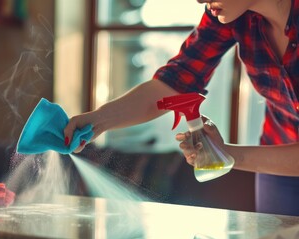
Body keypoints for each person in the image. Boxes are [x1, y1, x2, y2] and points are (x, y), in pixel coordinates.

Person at [64, 0, 299, 216]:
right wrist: (97, 121)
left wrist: (227, 155)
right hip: (275, 159)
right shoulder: (234, 14)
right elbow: (175, 82)